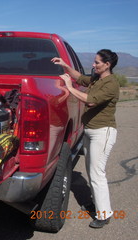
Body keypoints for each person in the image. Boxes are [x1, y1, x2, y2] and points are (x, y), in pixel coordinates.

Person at [51, 49, 119, 229]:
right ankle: (97, 205)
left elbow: (90, 100)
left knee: (97, 174)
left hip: (102, 133)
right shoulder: (98, 78)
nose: (93, 65)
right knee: (92, 171)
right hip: (91, 131)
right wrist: (65, 65)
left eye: (97, 62)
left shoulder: (111, 84)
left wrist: (69, 87)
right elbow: (80, 77)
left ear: (107, 65)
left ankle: (104, 214)